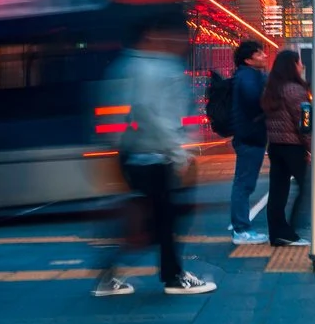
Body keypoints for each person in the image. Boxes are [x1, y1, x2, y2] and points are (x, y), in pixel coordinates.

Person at [92, 17, 215, 298]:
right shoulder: (155, 67)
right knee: (167, 218)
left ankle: (111, 275)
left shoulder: (125, 65)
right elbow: (149, 113)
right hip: (154, 157)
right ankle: (173, 277)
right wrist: (178, 151)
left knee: (155, 218)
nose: (180, 42)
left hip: (135, 155)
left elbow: (118, 114)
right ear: (152, 34)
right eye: (173, 34)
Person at [262, 49, 312, 247]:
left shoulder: (271, 89)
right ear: (292, 65)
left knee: (277, 191)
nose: (302, 66)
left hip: (275, 146)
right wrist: (310, 148)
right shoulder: (295, 91)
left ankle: (277, 233)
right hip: (293, 147)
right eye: (299, 62)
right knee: (306, 188)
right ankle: (291, 231)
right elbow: (305, 123)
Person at [227, 39, 270, 244]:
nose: (264, 56)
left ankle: (241, 227)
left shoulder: (249, 75)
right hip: (250, 136)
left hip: (250, 136)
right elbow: (256, 101)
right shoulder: (248, 77)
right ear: (248, 59)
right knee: (244, 185)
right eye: (259, 53)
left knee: (244, 184)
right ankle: (241, 230)